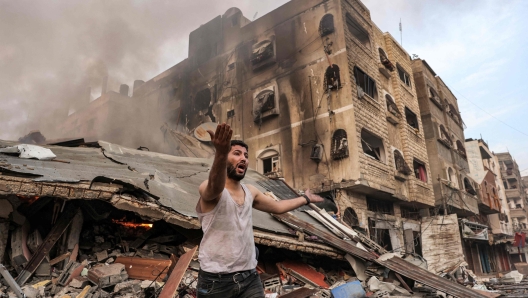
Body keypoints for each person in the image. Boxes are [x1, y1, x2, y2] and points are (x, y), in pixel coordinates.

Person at [196, 123, 324, 298]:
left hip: (249, 277)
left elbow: (278, 207)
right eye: (236, 153)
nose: (243, 158)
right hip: (216, 282)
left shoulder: (250, 191)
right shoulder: (209, 188)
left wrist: (306, 198)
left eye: (246, 156)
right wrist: (220, 152)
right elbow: (214, 187)